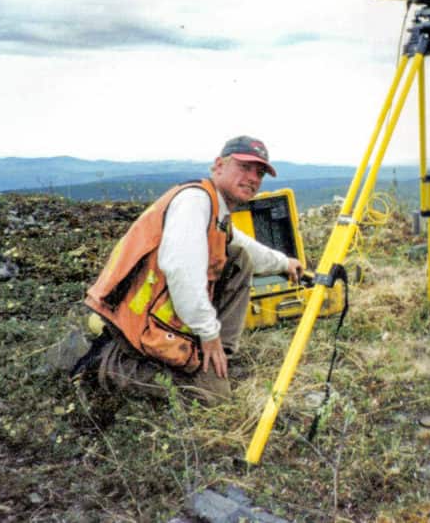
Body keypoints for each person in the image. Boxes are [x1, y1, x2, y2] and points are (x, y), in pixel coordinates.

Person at [77, 135, 303, 402]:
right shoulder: (194, 202)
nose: (253, 177)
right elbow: (182, 271)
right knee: (213, 397)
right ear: (219, 165)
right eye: (244, 167)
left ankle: (218, 361)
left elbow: (244, 247)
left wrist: (284, 263)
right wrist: (209, 334)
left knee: (239, 257)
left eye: (260, 172)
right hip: (132, 319)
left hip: (160, 315)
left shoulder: (214, 210)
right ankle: (107, 365)